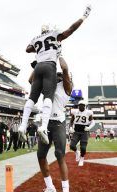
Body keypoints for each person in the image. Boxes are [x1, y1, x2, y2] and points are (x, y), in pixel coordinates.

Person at [19, 5, 92, 145]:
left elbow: (27, 49)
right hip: (49, 66)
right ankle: (43, 128)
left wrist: (38, 47)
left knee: (32, 97)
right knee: (48, 96)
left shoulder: (36, 38)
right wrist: (84, 16)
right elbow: (70, 30)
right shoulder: (54, 34)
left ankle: (22, 126)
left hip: (38, 66)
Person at [29, 56, 73, 192]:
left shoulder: (67, 87)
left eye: (59, 76)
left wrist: (55, 54)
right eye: (56, 75)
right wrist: (38, 65)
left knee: (60, 155)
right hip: (46, 123)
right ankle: (50, 189)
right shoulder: (47, 85)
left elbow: (65, 68)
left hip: (59, 123)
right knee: (40, 156)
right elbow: (31, 81)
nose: (58, 77)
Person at [69, 100, 95, 167]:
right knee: (72, 146)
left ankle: (82, 158)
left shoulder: (88, 113)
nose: (81, 106)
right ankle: (77, 152)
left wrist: (89, 128)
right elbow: (71, 121)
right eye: (80, 105)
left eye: (82, 105)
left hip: (84, 131)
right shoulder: (75, 112)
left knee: (83, 148)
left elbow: (93, 122)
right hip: (76, 131)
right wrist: (71, 127)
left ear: (85, 106)